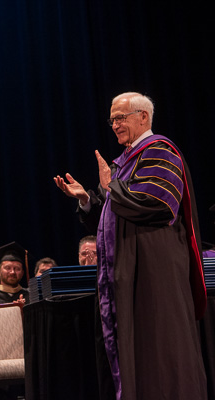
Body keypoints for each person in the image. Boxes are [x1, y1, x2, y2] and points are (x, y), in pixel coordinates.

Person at [54, 92, 207, 399]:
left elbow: (157, 204)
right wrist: (86, 199)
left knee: (157, 347)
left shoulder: (160, 152)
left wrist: (112, 185)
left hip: (153, 268)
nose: (114, 125)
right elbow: (112, 215)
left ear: (144, 117)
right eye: (111, 119)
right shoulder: (124, 163)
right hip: (126, 270)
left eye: (121, 117)